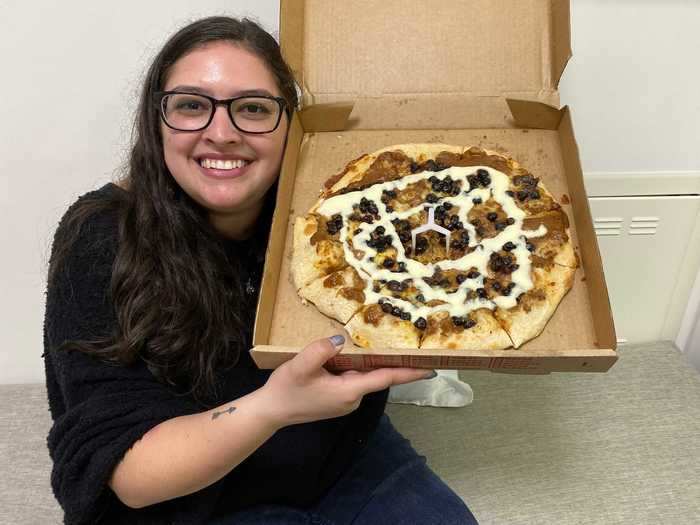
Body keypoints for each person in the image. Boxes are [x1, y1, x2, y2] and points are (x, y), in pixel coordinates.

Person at [43, 16, 479, 525]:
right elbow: (129, 477)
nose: (221, 133)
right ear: (155, 120)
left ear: (290, 123)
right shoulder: (100, 237)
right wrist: (274, 407)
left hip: (337, 453)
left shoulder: (332, 212)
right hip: (187, 495)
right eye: (191, 105)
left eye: (252, 108)